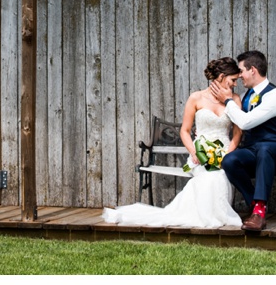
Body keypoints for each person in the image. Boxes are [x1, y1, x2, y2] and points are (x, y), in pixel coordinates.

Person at [102, 58, 244, 228]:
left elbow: (238, 132)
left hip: (225, 152)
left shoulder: (234, 100)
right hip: (200, 153)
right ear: (221, 77)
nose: (236, 84)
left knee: (220, 174)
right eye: (233, 80)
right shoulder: (196, 98)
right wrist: (194, 152)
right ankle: (208, 216)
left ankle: (214, 215)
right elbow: (185, 130)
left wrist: (228, 153)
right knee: (211, 176)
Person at [210, 50, 276, 232]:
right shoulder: (246, 96)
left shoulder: (275, 95)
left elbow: (246, 122)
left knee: (265, 149)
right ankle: (255, 205)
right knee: (230, 161)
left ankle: (259, 212)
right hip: (254, 152)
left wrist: (227, 100)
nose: (239, 76)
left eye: (241, 71)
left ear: (253, 70)